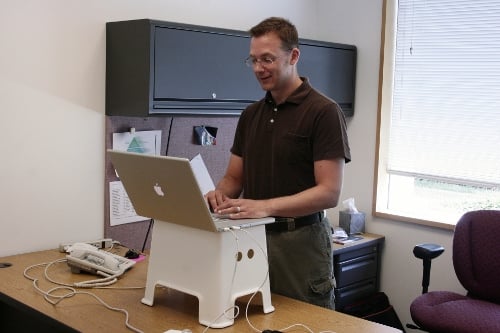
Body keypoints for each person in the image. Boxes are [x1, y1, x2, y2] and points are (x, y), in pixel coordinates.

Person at [205, 17, 351, 309]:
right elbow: (234, 179)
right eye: (254, 60)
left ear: (293, 56)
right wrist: (219, 194)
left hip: (300, 244)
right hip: (251, 241)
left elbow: (328, 193)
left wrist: (264, 206)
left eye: (268, 59)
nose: (259, 68)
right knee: (253, 321)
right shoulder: (251, 115)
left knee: (306, 326)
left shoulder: (324, 112)